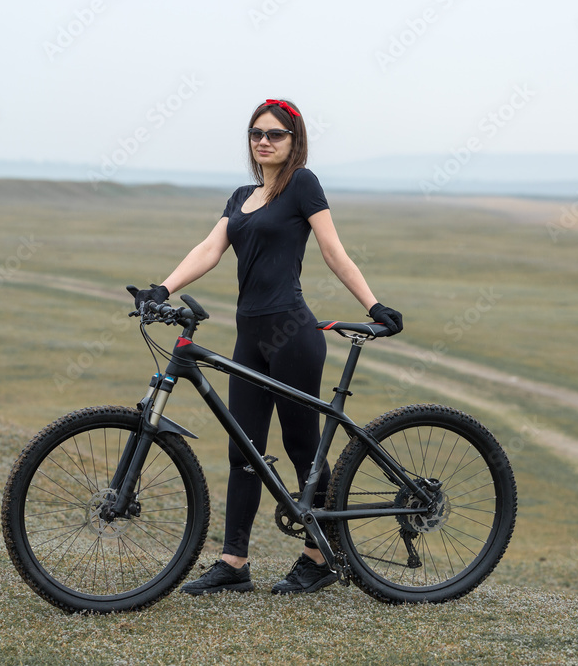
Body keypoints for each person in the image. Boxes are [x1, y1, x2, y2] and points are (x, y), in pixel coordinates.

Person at [132, 98, 403, 595]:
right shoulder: (240, 196)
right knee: (245, 450)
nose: (263, 141)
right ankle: (234, 563)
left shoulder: (302, 184)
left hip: (293, 334)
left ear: (293, 141)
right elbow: (210, 249)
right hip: (249, 335)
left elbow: (332, 250)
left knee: (303, 448)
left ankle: (317, 558)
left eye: (275, 134)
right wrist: (162, 289)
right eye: (256, 133)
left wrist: (374, 304)